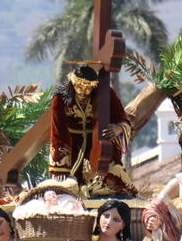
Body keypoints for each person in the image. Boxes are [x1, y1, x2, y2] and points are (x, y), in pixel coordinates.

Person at [49, 64, 137, 197]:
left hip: (99, 147)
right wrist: (59, 168)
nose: (82, 91)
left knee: (116, 180)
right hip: (71, 147)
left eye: (87, 88)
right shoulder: (59, 98)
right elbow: (58, 132)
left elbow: (122, 119)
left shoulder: (106, 94)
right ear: (72, 81)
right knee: (66, 188)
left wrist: (119, 128)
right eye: (78, 86)